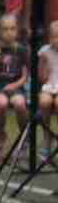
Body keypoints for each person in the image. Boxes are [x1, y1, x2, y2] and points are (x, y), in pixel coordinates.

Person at [0, 13, 29, 162]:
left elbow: (24, 77)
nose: (9, 32)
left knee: (20, 103)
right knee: (2, 103)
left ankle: (24, 138)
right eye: (5, 29)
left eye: (12, 29)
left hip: (16, 86)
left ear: (17, 30)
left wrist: (14, 85)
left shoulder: (22, 50)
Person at [38, 20, 58, 154]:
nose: (57, 40)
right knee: (44, 102)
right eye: (54, 36)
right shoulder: (45, 51)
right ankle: (47, 137)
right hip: (49, 86)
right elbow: (42, 78)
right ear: (49, 38)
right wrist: (44, 63)